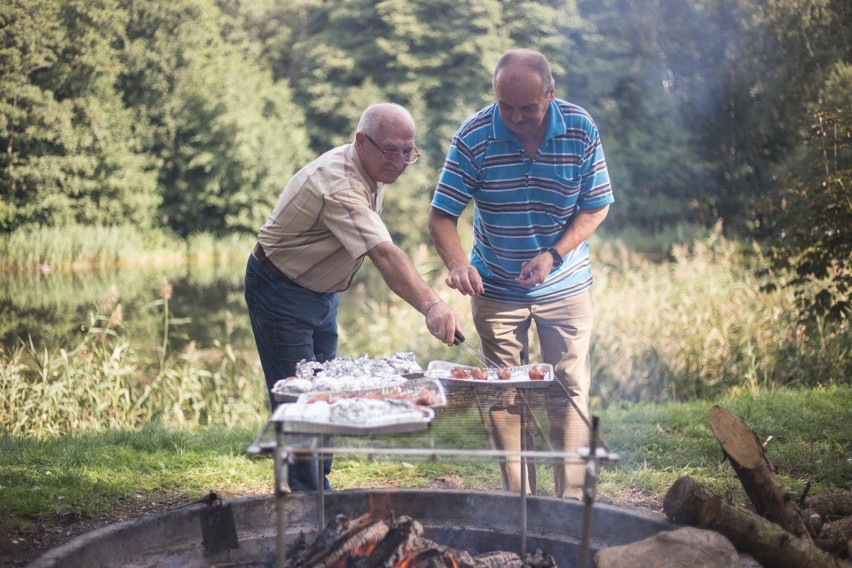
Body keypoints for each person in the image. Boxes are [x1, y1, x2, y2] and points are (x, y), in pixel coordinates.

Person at [245, 102, 462, 491]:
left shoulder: (370, 167)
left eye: (407, 152)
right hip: (281, 289)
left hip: (321, 292)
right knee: (299, 401)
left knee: (325, 390)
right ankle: (306, 503)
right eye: (390, 149)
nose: (399, 161)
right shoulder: (339, 184)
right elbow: (384, 254)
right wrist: (432, 304)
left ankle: (319, 485)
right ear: (362, 142)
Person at [428, 49, 613, 499]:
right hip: (495, 288)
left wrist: (554, 254)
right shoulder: (474, 137)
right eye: (505, 106)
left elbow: (597, 205)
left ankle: (569, 504)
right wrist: (458, 264)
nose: (515, 117)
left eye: (527, 107)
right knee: (505, 395)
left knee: (567, 388)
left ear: (550, 94)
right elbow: (441, 216)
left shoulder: (580, 129)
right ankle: (520, 504)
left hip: (565, 285)